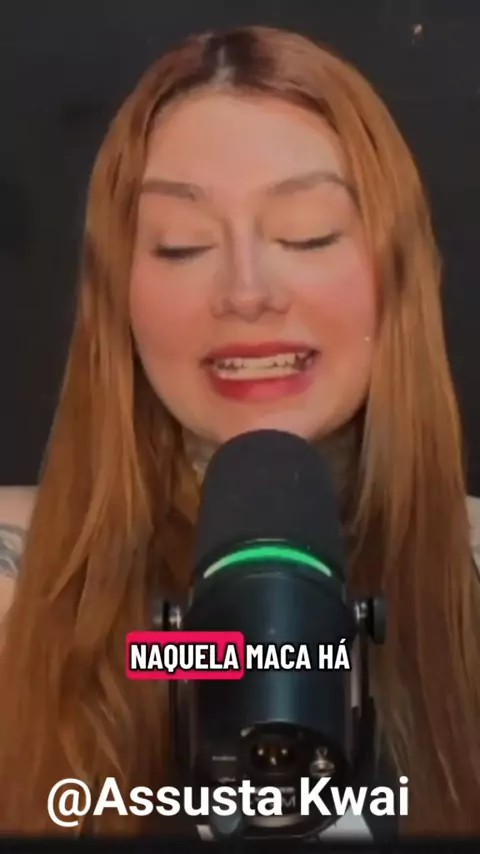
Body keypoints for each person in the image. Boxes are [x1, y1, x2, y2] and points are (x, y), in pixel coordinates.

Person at [0, 25, 479, 837]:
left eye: (307, 233)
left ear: (399, 273)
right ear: (117, 291)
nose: (247, 292)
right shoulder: (18, 588)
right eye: (182, 246)